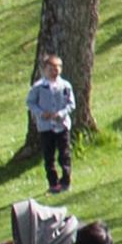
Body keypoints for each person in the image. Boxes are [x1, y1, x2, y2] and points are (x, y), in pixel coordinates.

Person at [31, 52, 80, 193]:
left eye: (58, 67)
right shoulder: (39, 87)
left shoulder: (65, 86)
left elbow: (71, 104)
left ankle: (66, 180)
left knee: (64, 153)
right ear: (45, 69)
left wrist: (61, 114)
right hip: (46, 127)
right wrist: (41, 113)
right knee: (48, 155)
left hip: (62, 125)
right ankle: (53, 183)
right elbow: (31, 103)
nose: (55, 71)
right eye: (52, 68)